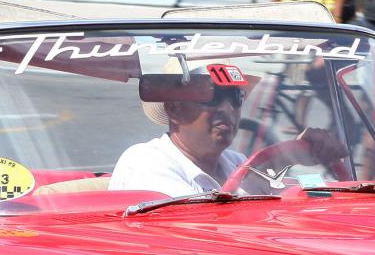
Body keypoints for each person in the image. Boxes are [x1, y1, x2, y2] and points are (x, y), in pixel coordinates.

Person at [110, 66, 344, 198]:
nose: (227, 108)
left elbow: (296, 195)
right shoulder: (146, 161)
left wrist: (308, 162)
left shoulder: (234, 163)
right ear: (174, 109)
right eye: (212, 96)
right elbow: (201, 229)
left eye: (234, 97)